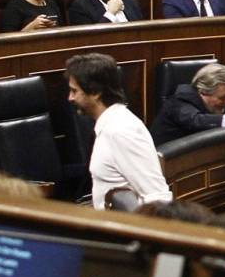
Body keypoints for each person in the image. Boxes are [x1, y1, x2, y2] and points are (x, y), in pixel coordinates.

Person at [68, 51, 171, 211]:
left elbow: (157, 196)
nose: (70, 98)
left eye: (74, 91)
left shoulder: (120, 130)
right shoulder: (110, 125)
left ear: (95, 93)